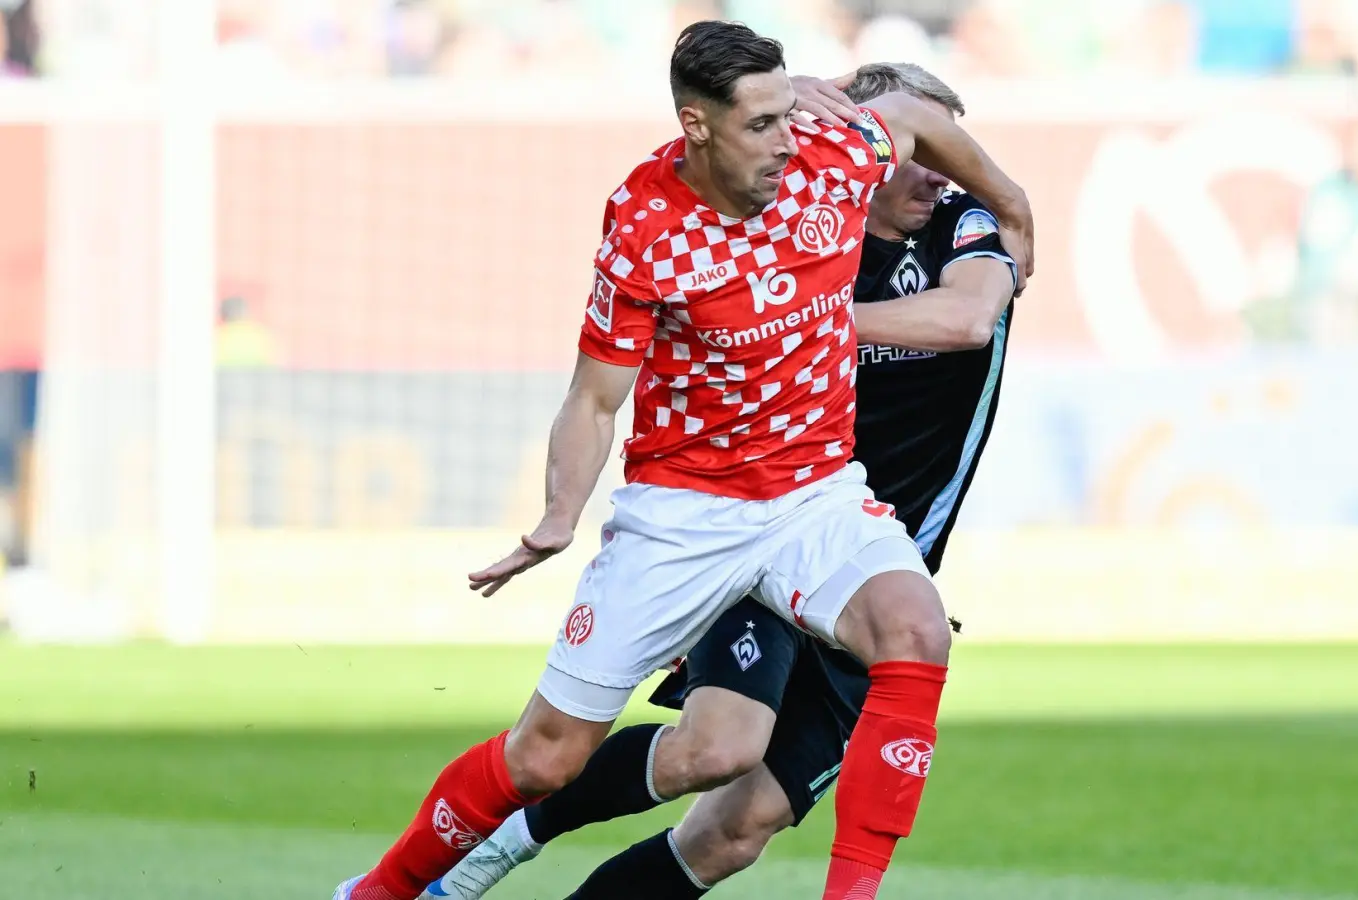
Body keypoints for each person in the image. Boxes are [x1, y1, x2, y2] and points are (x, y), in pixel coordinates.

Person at [333, 21, 1032, 900]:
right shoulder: (646, 227)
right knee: (546, 758)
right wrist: (559, 514)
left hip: (815, 492)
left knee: (915, 631)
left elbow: (905, 114)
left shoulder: (833, 158)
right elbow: (594, 397)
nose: (789, 142)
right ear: (697, 126)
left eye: (791, 115)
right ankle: (382, 893)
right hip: (687, 509)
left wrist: (1011, 205)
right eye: (763, 125)